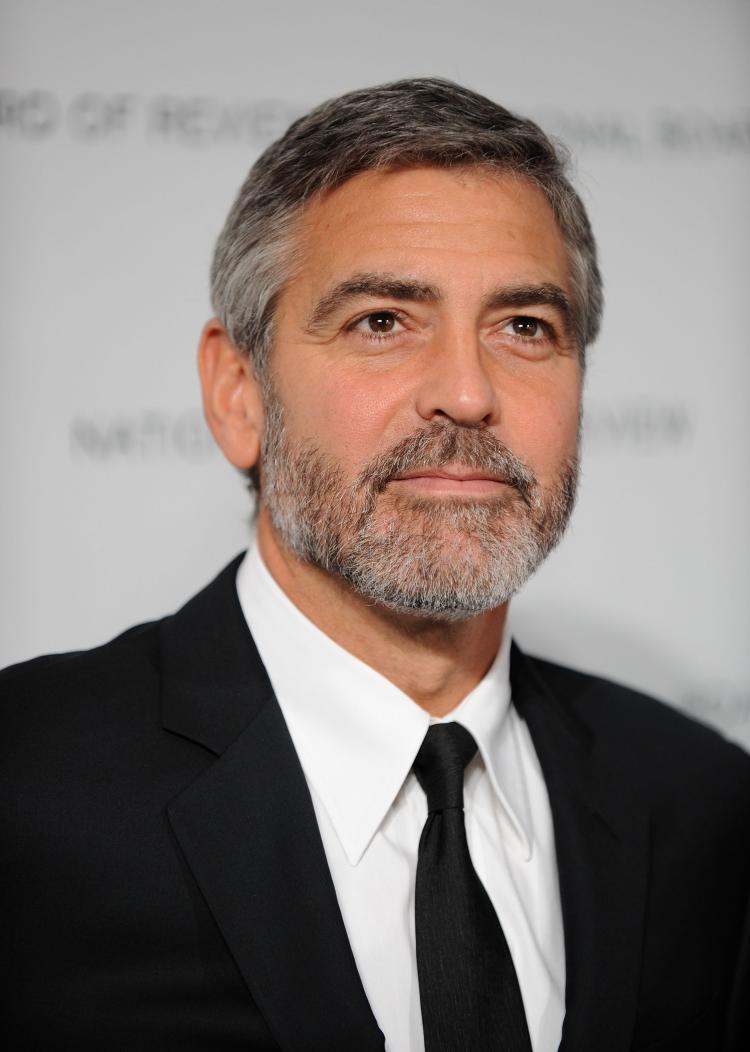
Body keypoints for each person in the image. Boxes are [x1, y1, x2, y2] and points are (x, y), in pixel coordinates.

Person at [1, 78, 748, 1052]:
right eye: (384, 321)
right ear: (239, 393)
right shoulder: (25, 789)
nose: (469, 392)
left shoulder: (704, 808)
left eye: (525, 326)